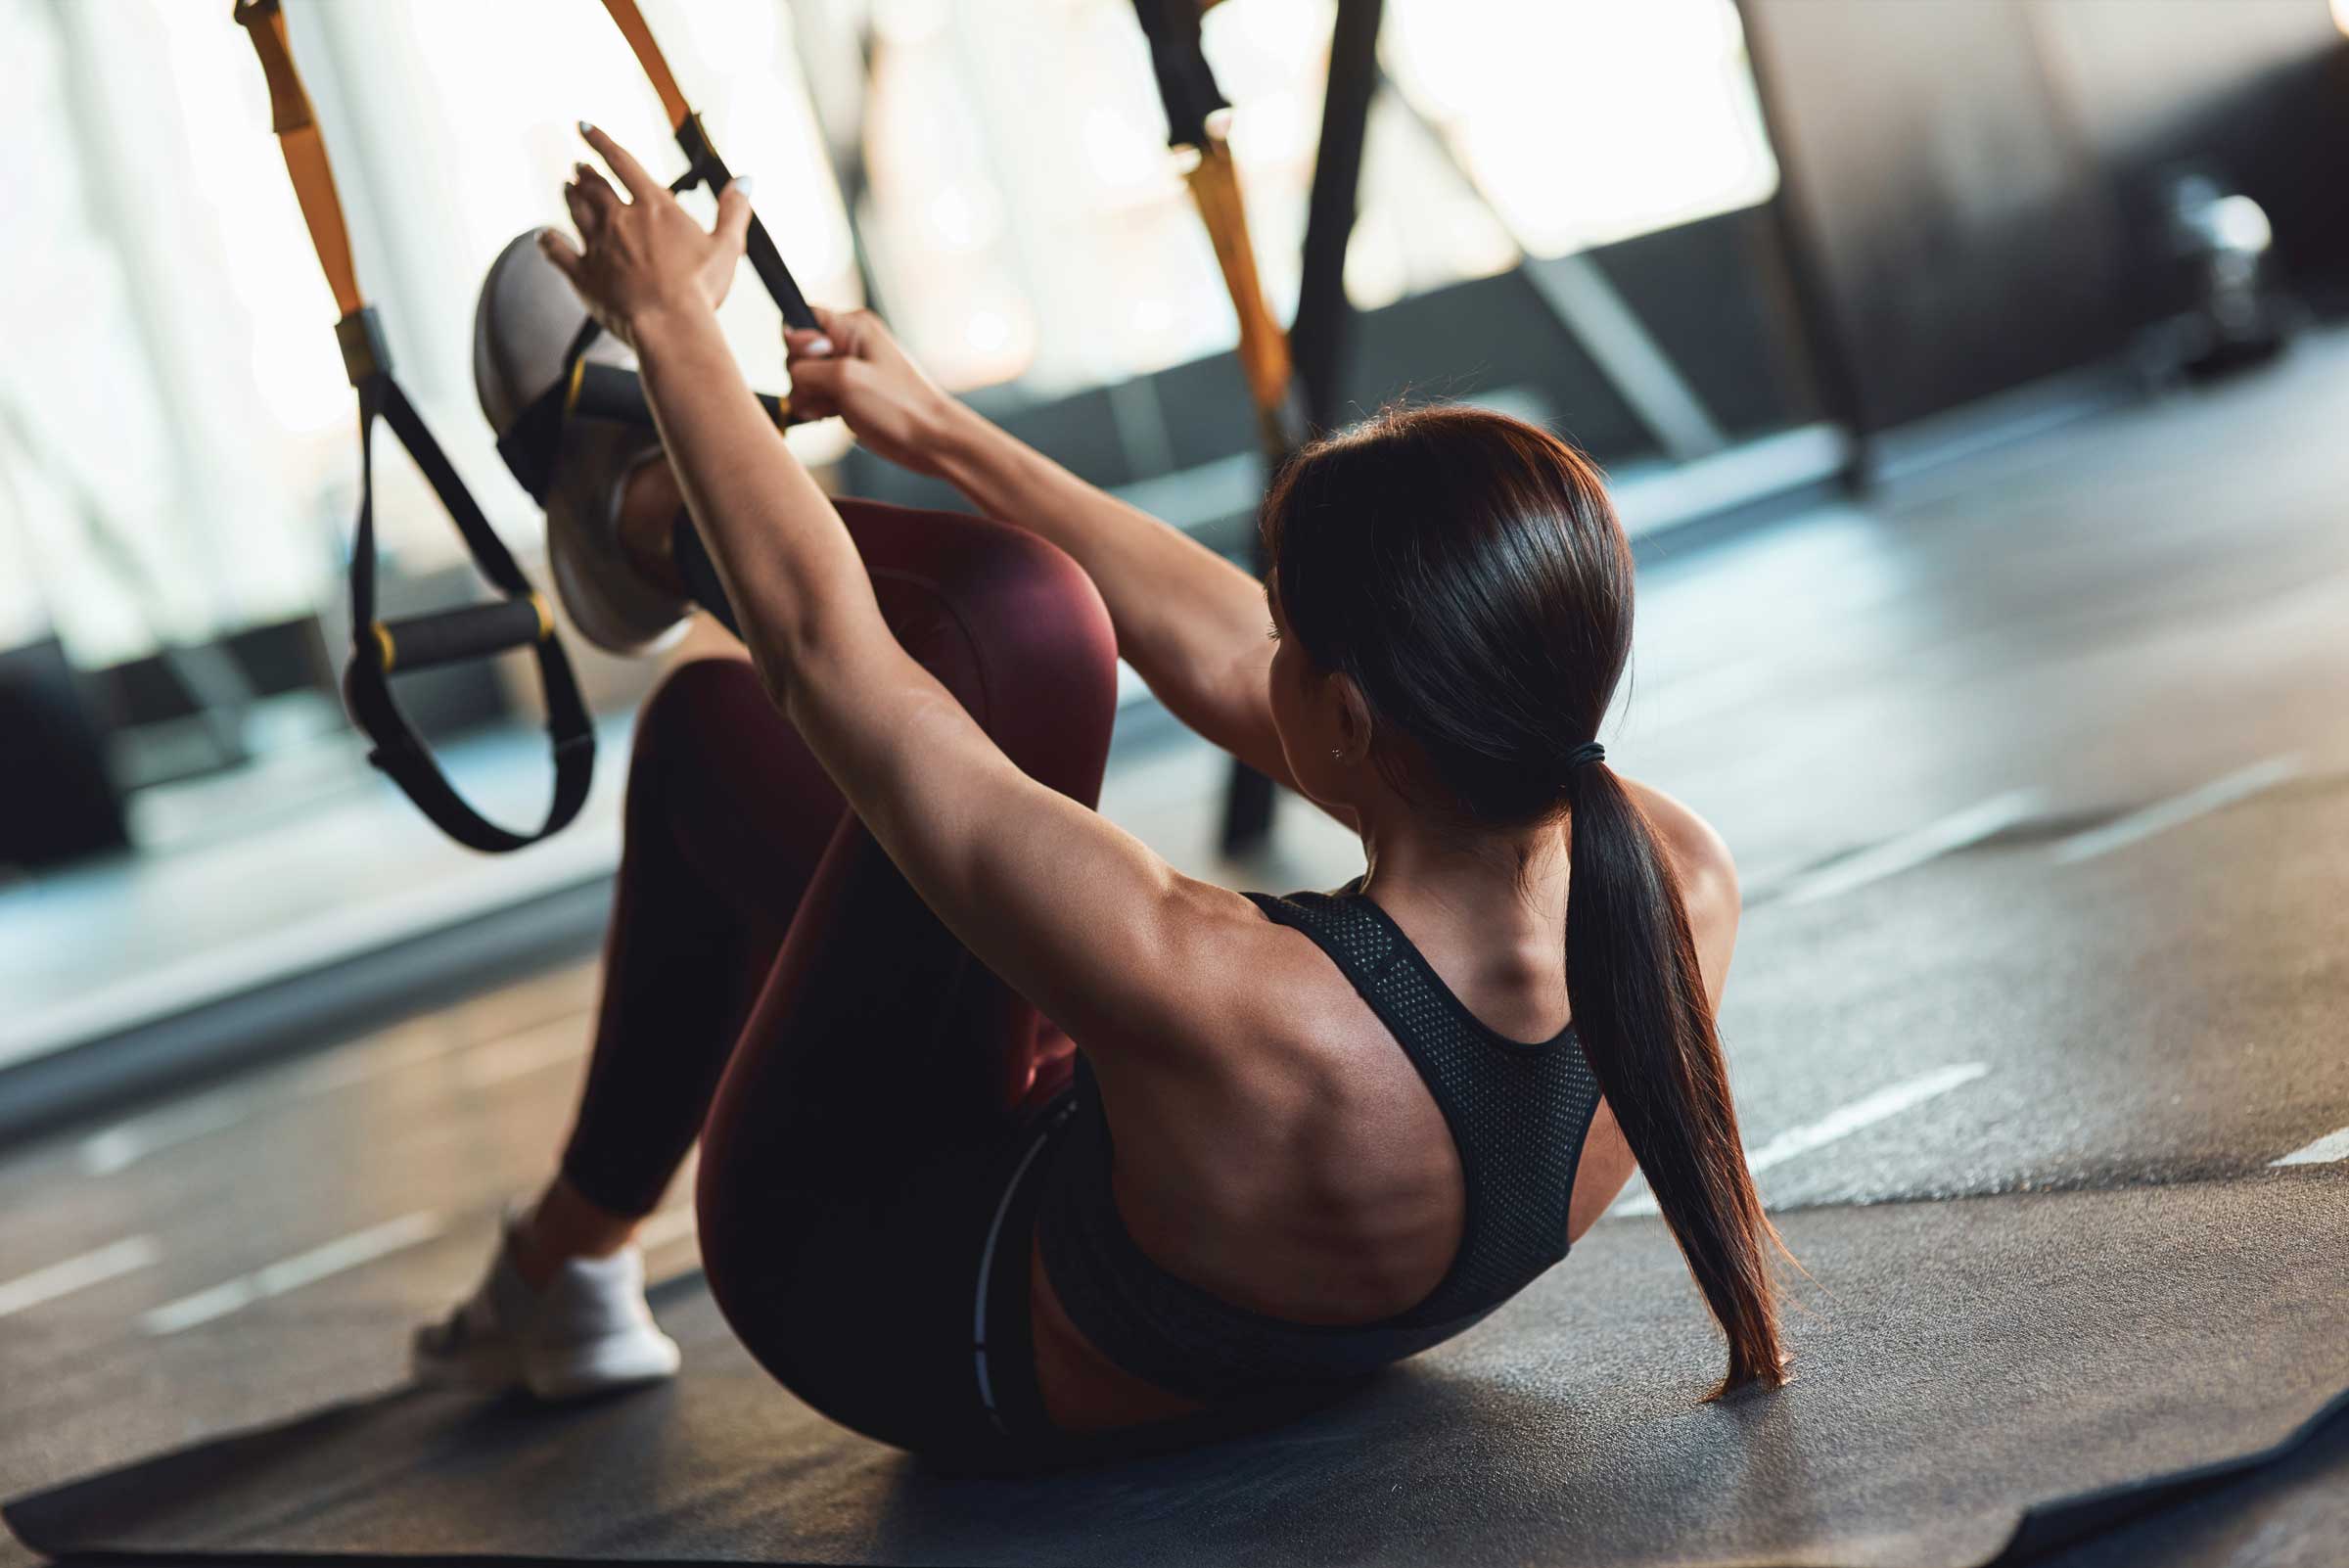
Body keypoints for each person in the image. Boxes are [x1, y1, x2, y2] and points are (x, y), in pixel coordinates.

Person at [414, 122, 1787, 1469]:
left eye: (1292, 645)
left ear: (1356, 715)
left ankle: (636, 509)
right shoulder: (1677, 875)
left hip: (877, 1288)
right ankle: (567, 1261)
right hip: (1228, 1271)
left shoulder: (1234, 998)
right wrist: (942, 431)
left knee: (999, 637)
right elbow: (1216, 645)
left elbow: (825, 651)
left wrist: (674, 340)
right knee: (718, 730)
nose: (1265, 650)